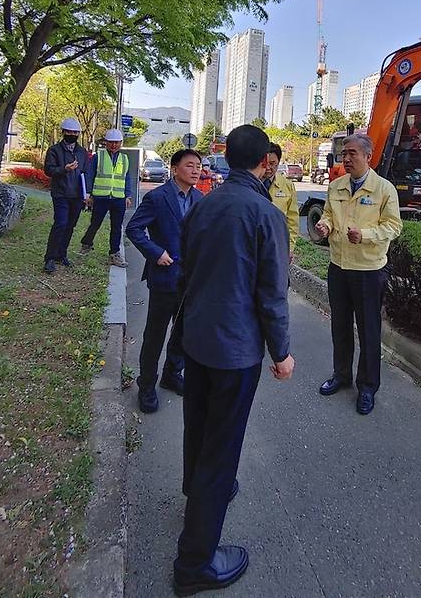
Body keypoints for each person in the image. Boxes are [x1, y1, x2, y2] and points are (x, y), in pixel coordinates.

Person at [172, 125, 294, 596]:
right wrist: (281, 353)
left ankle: (196, 493)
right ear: (265, 163)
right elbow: (272, 295)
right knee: (222, 450)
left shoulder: (203, 204)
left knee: (198, 427)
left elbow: (188, 270)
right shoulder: (266, 215)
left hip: (197, 338)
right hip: (235, 350)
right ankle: (195, 563)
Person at [315, 133, 402, 415]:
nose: (347, 158)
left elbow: (393, 226)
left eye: (352, 153)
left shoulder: (384, 189)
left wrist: (364, 235)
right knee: (339, 326)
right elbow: (329, 214)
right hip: (338, 267)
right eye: (344, 153)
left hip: (368, 270)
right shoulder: (336, 186)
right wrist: (325, 225)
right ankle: (341, 375)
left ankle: (367, 387)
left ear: (368, 156)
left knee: (368, 331)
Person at [125, 149, 203, 413]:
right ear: (174, 168)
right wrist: (156, 252)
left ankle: (172, 374)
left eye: (198, 166)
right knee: (155, 335)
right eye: (189, 165)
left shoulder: (199, 199)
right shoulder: (157, 197)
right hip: (164, 278)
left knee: (182, 333)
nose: (195, 170)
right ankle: (146, 384)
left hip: (190, 281)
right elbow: (134, 228)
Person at [43, 118, 90, 274]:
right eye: (69, 132)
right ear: (63, 132)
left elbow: (86, 173)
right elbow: (48, 170)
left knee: (70, 225)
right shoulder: (54, 150)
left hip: (77, 195)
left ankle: (61, 254)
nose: (72, 134)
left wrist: (87, 193)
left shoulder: (82, 152)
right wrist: (64, 169)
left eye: (75, 132)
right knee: (60, 224)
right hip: (61, 193)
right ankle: (49, 258)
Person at [81, 128, 132, 267]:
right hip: (101, 197)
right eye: (111, 142)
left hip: (118, 198)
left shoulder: (124, 158)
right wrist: (89, 194)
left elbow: (127, 177)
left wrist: (128, 195)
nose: (114, 145)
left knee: (116, 227)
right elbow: (90, 174)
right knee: (95, 223)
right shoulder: (99, 156)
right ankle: (86, 244)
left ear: (121, 143)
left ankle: (114, 254)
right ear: (106, 143)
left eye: (117, 142)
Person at [263, 142, 299, 261]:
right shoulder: (252, 184)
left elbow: (292, 220)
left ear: (279, 162)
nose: (268, 168)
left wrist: (290, 247)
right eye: (265, 163)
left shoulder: (287, 185)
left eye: (272, 163)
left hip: (278, 245)